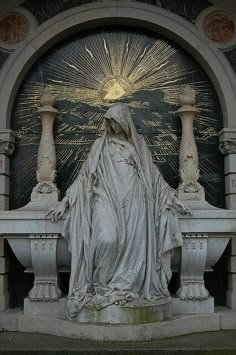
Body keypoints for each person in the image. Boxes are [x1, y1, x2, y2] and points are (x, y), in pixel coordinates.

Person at [47, 103, 191, 318]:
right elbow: (85, 176)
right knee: (107, 238)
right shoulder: (99, 145)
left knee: (135, 246)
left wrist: (173, 198)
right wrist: (64, 202)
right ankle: (102, 287)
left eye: (115, 120)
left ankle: (126, 286)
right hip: (105, 198)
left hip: (135, 201)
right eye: (109, 121)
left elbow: (154, 178)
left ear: (124, 121)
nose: (112, 125)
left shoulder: (139, 144)